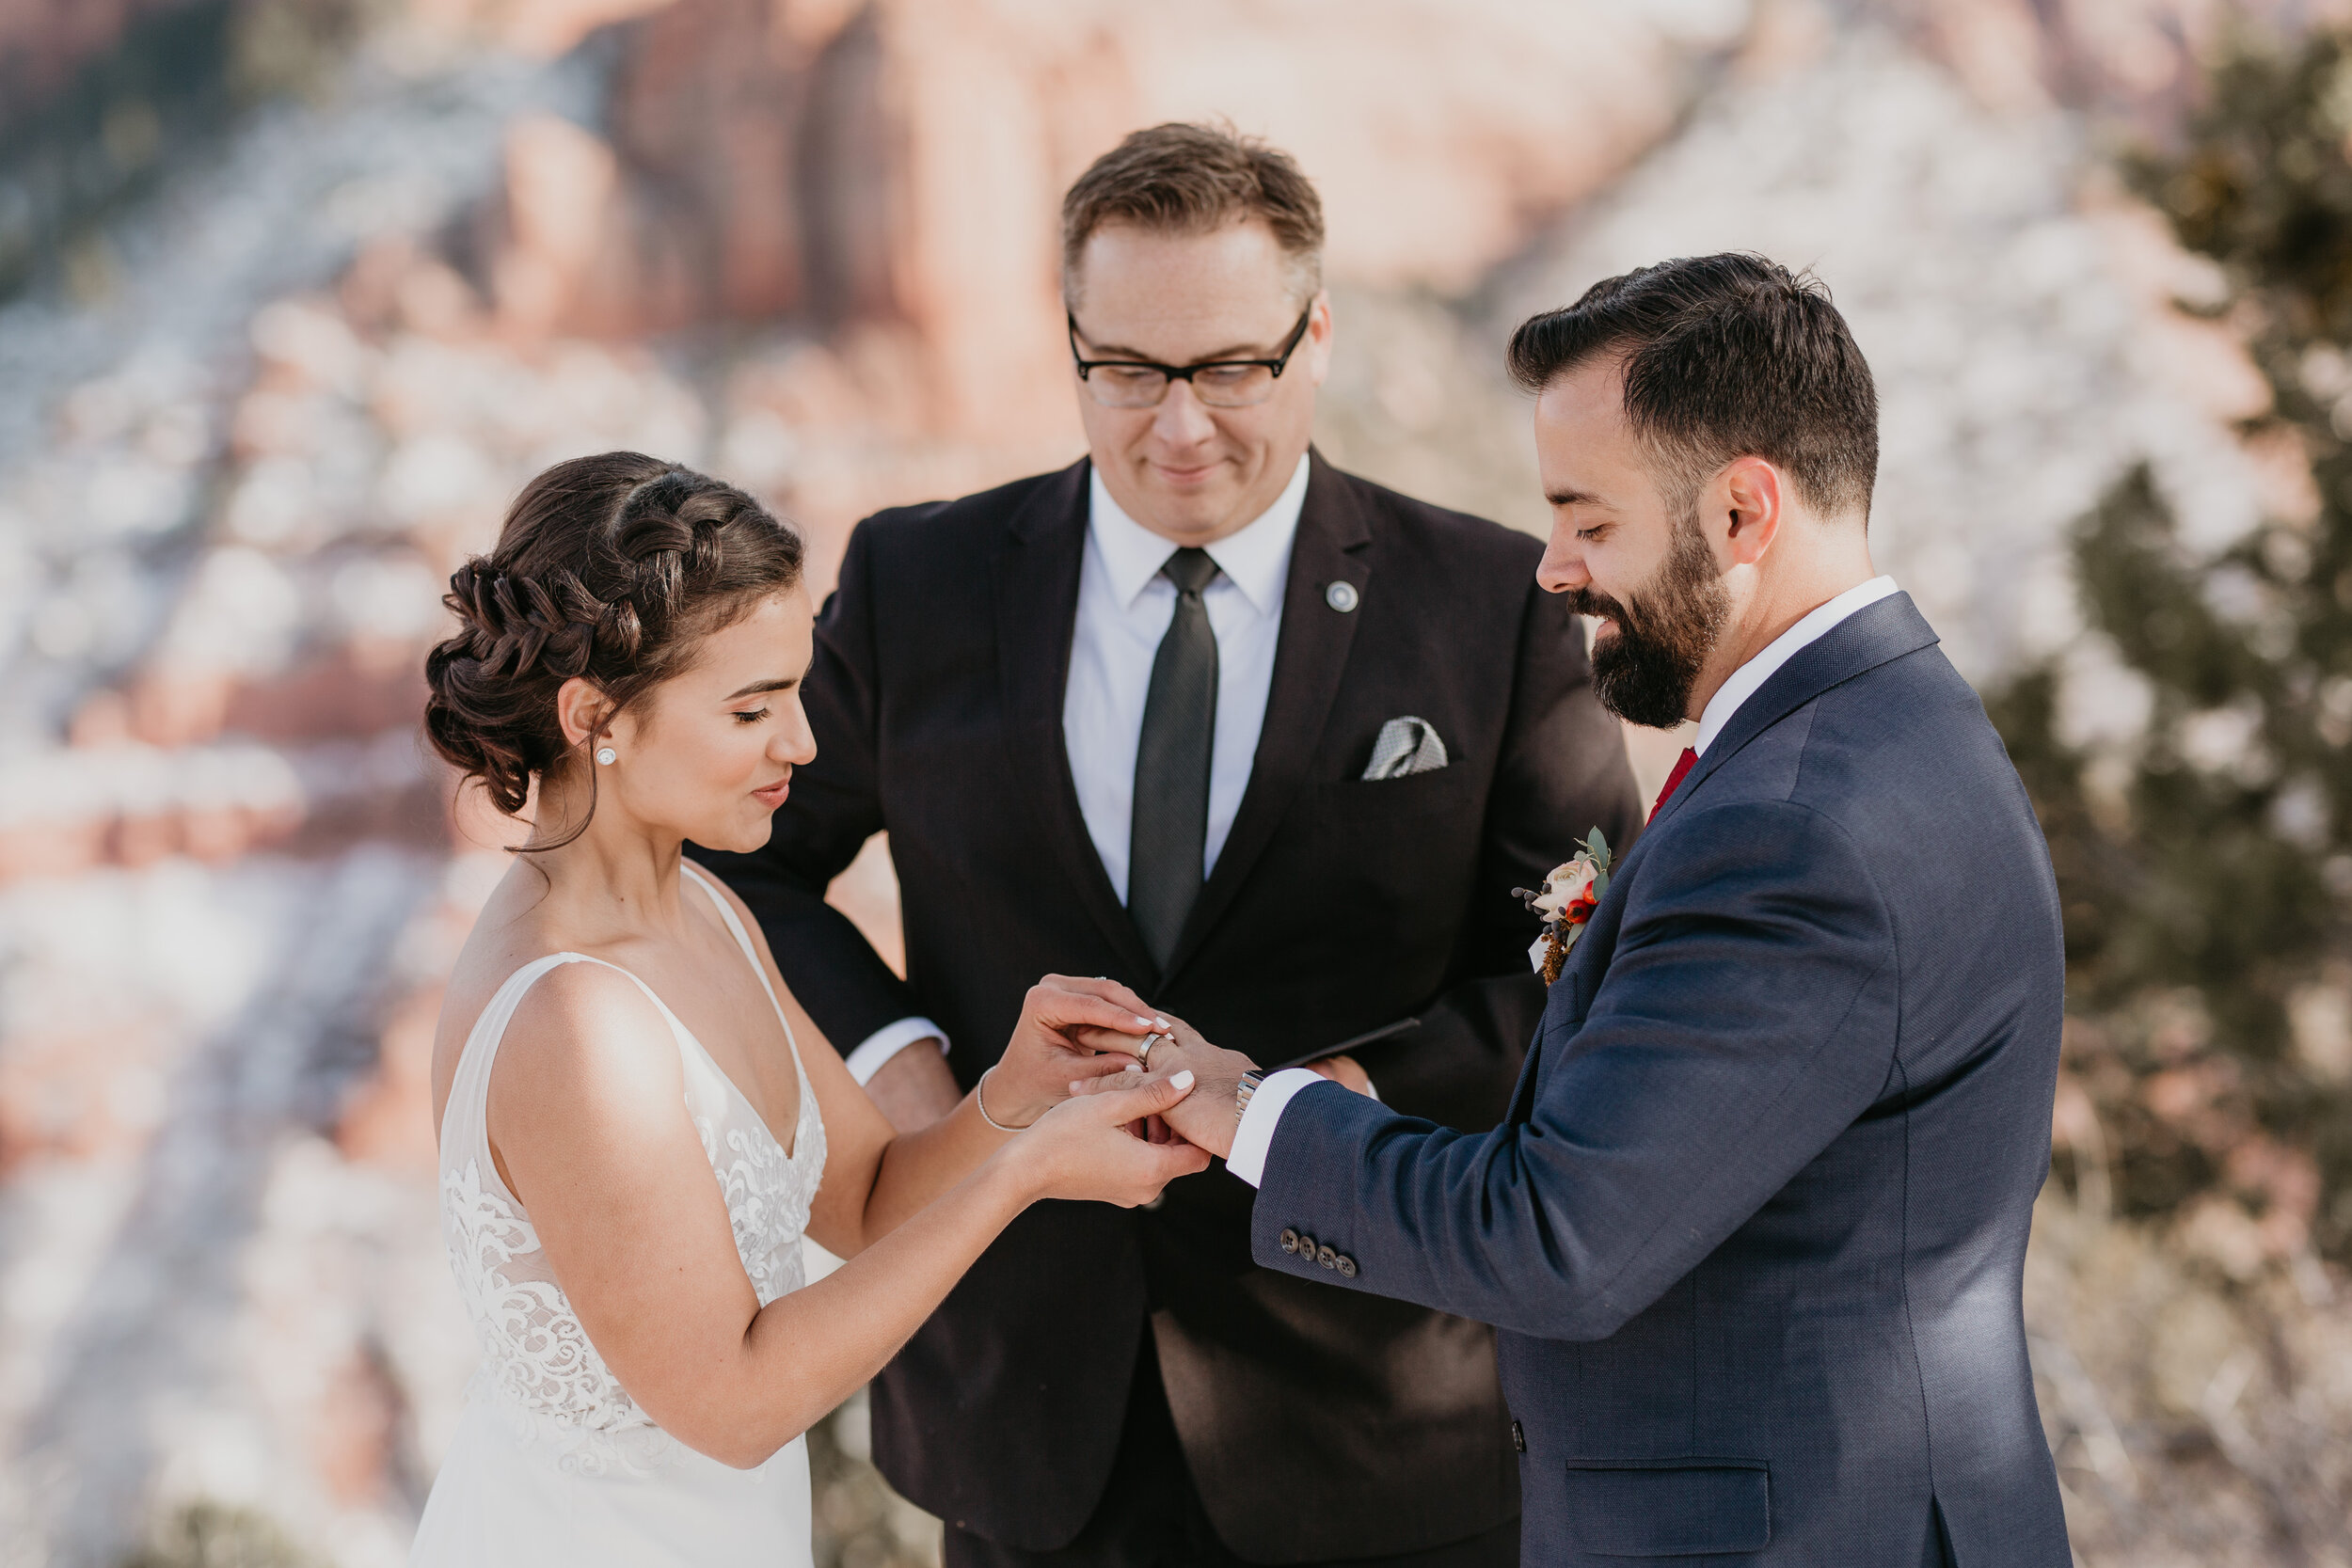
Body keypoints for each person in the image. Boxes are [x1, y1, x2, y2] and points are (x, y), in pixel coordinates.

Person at [690, 124, 1641, 1566]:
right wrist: (916, 1074)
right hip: (1024, 1413)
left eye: (1231, 369)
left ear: (1316, 334)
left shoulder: (1491, 604)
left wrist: (1317, 1101)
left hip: (1386, 1420)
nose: (1179, 425)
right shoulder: (916, 580)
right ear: (1069, 343)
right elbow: (738, 857)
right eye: (1127, 370)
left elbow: (1584, 957)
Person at [1121, 255, 2074, 1566]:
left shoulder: (1795, 826)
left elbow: (1557, 1237)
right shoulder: (1888, 724)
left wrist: (1249, 1106)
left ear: (1745, 510)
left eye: (1590, 519)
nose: (1555, 567)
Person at [408, 452, 1208, 1565]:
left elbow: (869, 1200)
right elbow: (733, 1403)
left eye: (796, 690)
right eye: (751, 708)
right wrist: (1027, 1175)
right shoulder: (572, 1022)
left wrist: (1013, 1098)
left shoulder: (706, 906)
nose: (803, 743)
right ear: (597, 715)